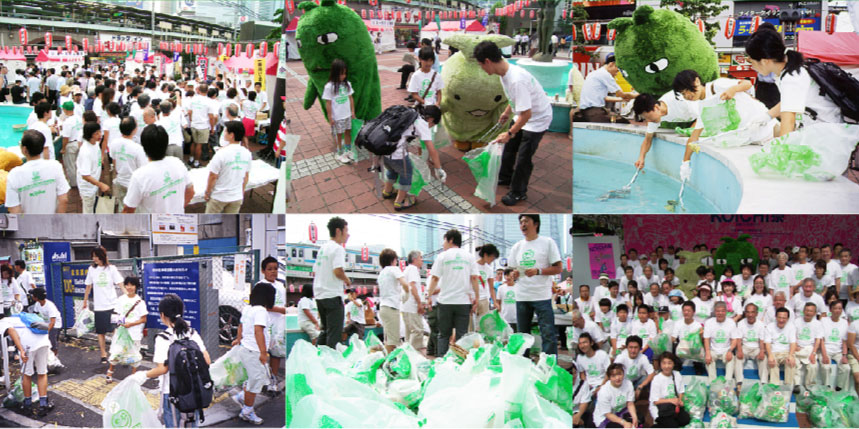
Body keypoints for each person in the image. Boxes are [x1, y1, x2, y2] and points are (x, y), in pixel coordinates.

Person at [474, 41, 553, 206]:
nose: (482, 69)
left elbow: (527, 113)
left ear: (487, 61)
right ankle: (505, 177)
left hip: (537, 119)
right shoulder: (504, 73)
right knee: (509, 149)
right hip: (523, 115)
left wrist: (510, 133)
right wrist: (506, 112)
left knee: (524, 157)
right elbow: (516, 98)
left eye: (481, 65)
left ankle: (518, 192)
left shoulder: (516, 79)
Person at [128, 293, 210, 428]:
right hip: (194, 390)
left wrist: (142, 375)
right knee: (191, 423)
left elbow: (163, 369)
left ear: (162, 315)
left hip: (171, 393)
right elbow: (206, 360)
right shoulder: (192, 333)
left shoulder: (163, 338)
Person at [745, 27, 846, 135]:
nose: (752, 67)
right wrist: (767, 116)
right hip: (823, 128)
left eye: (752, 62)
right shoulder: (791, 71)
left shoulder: (791, 78)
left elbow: (789, 121)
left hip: (827, 134)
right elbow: (789, 100)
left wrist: (782, 149)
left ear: (764, 61)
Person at [229, 282, 284, 425]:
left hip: (246, 349)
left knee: (253, 377)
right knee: (256, 380)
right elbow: (258, 330)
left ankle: (242, 396)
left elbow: (241, 325)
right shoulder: (261, 311)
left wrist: (238, 339)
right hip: (254, 351)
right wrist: (263, 352)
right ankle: (247, 412)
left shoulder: (248, 308)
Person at [508, 215, 562, 355]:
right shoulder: (517, 247)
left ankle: (549, 367)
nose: (523, 225)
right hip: (522, 296)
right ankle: (524, 366)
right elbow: (512, 269)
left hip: (541, 297)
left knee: (548, 334)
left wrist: (538, 271)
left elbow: (558, 268)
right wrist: (514, 274)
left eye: (526, 221)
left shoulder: (547, 242)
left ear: (536, 224)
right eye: (520, 222)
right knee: (522, 336)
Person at [426, 229, 479, 356]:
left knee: (443, 335)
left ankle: (442, 364)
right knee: (462, 335)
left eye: (444, 240)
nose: (443, 244)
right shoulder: (469, 257)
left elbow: (434, 278)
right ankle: (460, 364)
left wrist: (428, 295)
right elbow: (474, 278)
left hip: (445, 302)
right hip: (463, 303)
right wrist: (476, 297)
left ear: (450, 240)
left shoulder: (442, 256)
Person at [381, 106, 444, 210]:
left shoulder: (410, 114)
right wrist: (438, 169)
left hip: (382, 150)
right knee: (406, 174)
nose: (430, 127)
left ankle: (387, 192)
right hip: (397, 155)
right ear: (432, 119)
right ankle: (399, 202)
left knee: (392, 170)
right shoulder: (422, 124)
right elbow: (432, 150)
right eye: (432, 125)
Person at [123, 125, 194, 213]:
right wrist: (178, 208)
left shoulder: (139, 176)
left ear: (144, 148)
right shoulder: (178, 163)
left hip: (153, 225)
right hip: (178, 221)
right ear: (166, 144)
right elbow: (190, 192)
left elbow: (128, 209)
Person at [0, 312, 54, 416]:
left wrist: (21, 350)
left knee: (27, 375)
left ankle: (27, 405)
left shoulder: (2, 322)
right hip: (43, 341)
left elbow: (11, 331)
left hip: (28, 346)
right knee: (42, 373)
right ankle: (43, 405)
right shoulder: (16, 317)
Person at [6, 130, 70, 214]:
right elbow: (63, 199)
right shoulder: (55, 166)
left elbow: (14, 209)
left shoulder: (14, 174)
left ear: (24, 149)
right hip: (52, 222)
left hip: (28, 224)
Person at [630, 92, 698, 170]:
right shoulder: (654, 116)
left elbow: (702, 116)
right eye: (645, 118)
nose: (648, 121)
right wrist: (641, 158)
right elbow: (647, 139)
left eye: (648, 117)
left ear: (656, 107)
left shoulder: (680, 100)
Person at [312, 217, 351, 348]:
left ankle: (318, 357)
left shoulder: (322, 248)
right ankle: (330, 364)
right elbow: (338, 271)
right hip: (332, 295)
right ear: (338, 231)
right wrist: (347, 280)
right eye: (346, 230)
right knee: (334, 334)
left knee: (325, 331)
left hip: (319, 295)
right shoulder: (338, 248)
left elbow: (315, 271)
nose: (348, 234)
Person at [81, 246, 122, 364]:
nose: (94, 258)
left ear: (102, 256)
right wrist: (84, 301)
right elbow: (88, 286)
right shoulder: (91, 269)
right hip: (99, 306)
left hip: (113, 305)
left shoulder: (111, 269)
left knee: (117, 330)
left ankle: (116, 352)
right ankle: (103, 354)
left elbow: (120, 284)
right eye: (93, 256)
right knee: (100, 332)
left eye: (96, 256)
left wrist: (128, 298)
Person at [105, 276, 147, 382]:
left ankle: (133, 377)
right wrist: (120, 324)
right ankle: (109, 373)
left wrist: (131, 324)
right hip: (121, 332)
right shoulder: (120, 300)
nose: (129, 287)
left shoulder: (140, 302)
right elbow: (117, 315)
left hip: (134, 333)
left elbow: (143, 319)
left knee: (134, 354)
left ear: (136, 286)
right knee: (116, 352)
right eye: (127, 285)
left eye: (132, 285)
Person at [204, 121, 251, 213]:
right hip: (236, 197)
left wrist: (207, 192)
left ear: (231, 135)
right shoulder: (247, 153)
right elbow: (246, 176)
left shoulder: (221, 153)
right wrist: (241, 192)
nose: (224, 133)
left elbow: (213, 176)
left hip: (219, 197)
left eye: (225, 131)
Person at [576, 54, 636, 123]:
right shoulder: (605, 75)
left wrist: (622, 100)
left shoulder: (594, 73)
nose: (616, 73)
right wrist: (640, 95)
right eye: (617, 70)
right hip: (594, 112)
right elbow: (622, 94)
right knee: (624, 122)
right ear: (611, 64)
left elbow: (604, 97)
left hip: (586, 110)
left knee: (620, 119)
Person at [109, 117, 148, 213]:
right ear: (134, 130)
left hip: (121, 180)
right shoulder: (137, 148)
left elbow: (114, 161)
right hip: (134, 184)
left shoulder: (114, 143)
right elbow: (142, 169)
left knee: (123, 205)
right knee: (136, 209)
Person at [322, 59, 356, 164]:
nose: (344, 76)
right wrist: (330, 117)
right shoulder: (329, 87)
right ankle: (339, 153)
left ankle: (347, 150)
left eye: (345, 74)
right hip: (337, 116)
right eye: (341, 74)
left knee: (348, 132)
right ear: (335, 73)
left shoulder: (347, 84)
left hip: (347, 114)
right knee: (338, 134)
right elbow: (328, 103)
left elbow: (350, 98)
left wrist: (353, 112)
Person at [377, 248, 411, 353]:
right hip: (392, 308)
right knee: (393, 342)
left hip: (383, 308)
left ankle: (385, 362)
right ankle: (389, 364)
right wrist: (406, 294)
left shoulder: (381, 273)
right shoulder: (394, 269)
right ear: (393, 260)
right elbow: (405, 284)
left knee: (387, 339)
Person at [649, 352, 690, 428]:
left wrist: (679, 400)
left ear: (673, 364)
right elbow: (655, 401)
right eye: (664, 363)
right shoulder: (657, 379)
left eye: (669, 363)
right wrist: (670, 400)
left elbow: (681, 391)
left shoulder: (677, 374)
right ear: (660, 364)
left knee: (685, 419)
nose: (666, 366)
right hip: (661, 409)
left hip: (673, 407)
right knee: (673, 425)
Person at [594, 363, 639, 428]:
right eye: (613, 376)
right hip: (605, 418)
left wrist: (634, 417)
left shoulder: (628, 384)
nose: (617, 378)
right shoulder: (604, 391)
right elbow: (608, 414)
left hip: (621, 411)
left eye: (619, 374)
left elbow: (630, 403)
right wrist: (624, 423)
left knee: (639, 419)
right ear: (609, 377)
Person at [734, 303, 768, 385]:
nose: (750, 315)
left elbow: (762, 340)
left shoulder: (760, 324)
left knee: (764, 359)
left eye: (752, 312)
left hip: (756, 347)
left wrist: (762, 351)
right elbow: (739, 339)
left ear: (756, 313)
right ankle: (739, 382)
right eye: (748, 312)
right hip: (745, 346)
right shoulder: (741, 323)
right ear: (745, 313)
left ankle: (764, 382)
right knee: (738, 358)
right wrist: (739, 350)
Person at [820, 300, 850, 391]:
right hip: (826, 350)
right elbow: (821, 340)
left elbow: (844, 341)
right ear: (830, 310)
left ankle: (839, 388)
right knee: (826, 367)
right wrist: (824, 355)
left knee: (846, 368)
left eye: (840, 308)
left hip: (838, 351)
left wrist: (844, 355)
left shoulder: (844, 322)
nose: (837, 310)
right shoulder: (824, 320)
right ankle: (827, 387)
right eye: (835, 308)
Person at [614, 335, 656, 400]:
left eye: (636, 347)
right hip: (623, 383)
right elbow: (614, 372)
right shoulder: (621, 357)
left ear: (640, 348)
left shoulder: (643, 357)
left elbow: (652, 373)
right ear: (627, 347)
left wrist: (640, 386)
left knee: (649, 378)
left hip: (637, 382)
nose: (633, 350)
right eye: (631, 347)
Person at [793, 302, 823, 388]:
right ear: (803, 311)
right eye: (807, 310)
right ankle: (796, 385)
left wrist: (813, 353)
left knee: (813, 366)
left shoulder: (818, 324)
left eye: (811, 311)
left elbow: (818, 340)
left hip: (810, 348)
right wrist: (795, 345)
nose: (808, 312)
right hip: (798, 348)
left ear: (814, 313)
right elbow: (793, 335)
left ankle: (808, 386)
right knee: (795, 363)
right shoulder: (797, 321)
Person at [765, 307, 797, 386]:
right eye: (779, 317)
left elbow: (793, 343)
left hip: (786, 352)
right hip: (774, 352)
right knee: (772, 361)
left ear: (788, 318)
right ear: (775, 317)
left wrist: (790, 355)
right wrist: (770, 355)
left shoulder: (791, 327)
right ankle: (774, 386)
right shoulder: (770, 326)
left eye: (784, 318)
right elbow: (767, 343)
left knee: (791, 361)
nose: (781, 320)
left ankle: (788, 385)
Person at [471, 244, 499, 332]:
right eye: (492, 258)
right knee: (470, 327)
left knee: (483, 327)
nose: (492, 260)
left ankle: (482, 344)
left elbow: (491, 288)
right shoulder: (472, 266)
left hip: (484, 300)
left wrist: (494, 301)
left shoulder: (489, 269)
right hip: (472, 299)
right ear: (486, 255)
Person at [401, 251, 426, 352]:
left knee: (409, 332)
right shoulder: (413, 269)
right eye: (421, 258)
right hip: (412, 306)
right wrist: (419, 303)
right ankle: (412, 354)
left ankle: (406, 353)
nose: (422, 260)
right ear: (415, 259)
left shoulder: (407, 270)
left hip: (406, 306)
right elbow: (412, 286)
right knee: (418, 330)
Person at [188, 84, 217, 168]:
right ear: (207, 91)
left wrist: (191, 120)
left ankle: (191, 158)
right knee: (199, 145)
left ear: (198, 90)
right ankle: (196, 162)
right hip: (203, 125)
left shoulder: (193, 99)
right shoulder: (209, 102)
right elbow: (211, 117)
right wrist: (212, 128)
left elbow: (189, 112)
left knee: (193, 142)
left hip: (194, 124)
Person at [31, 287, 61, 357]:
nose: (32, 296)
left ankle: (54, 357)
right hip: (46, 323)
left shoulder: (50, 306)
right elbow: (34, 315)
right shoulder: (37, 304)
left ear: (37, 297)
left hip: (55, 324)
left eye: (33, 295)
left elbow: (53, 322)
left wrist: (46, 332)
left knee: (51, 339)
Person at [572, 363, 594, 428]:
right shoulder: (558, 384)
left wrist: (578, 416)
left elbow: (584, 402)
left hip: (577, 411)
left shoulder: (583, 384)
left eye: (574, 373)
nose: (573, 376)